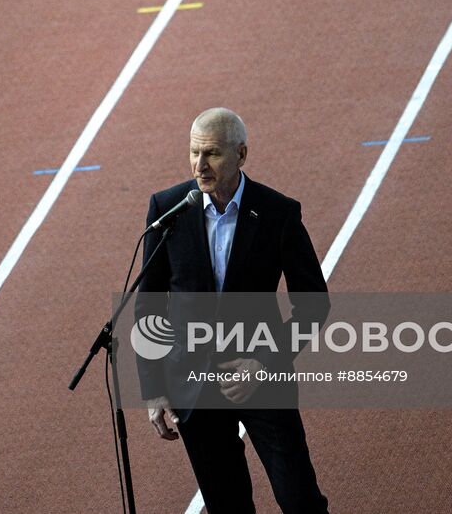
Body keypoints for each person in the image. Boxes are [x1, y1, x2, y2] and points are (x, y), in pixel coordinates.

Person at [136, 107, 331, 513]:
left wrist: (263, 361)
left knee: (301, 501)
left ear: (241, 155)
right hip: (193, 383)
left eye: (212, 154)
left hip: (263, 379)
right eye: (194, 152)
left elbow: (313, 302)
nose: (199, 165)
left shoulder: (279, 213)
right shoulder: (168, 209)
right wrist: (153, 387)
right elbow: (149, 304)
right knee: (227, 506)